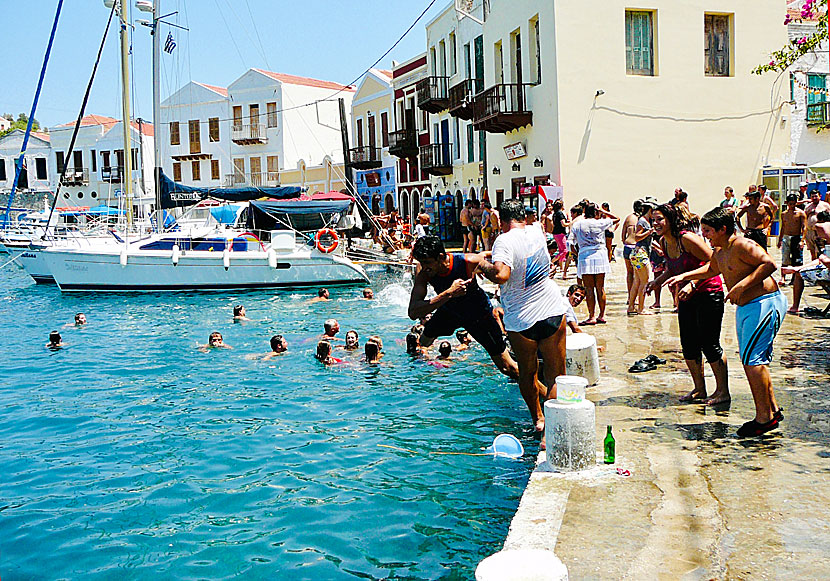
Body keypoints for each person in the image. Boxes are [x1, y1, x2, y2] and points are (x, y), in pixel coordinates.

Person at [666, 207, 786, 437]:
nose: (705, 236)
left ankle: (764, 419)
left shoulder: (742, 244)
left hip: (764, 303)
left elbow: (769, 264)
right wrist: (684, 276)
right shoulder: (720, 251)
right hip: (746, 308)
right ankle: (771, 409)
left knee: (753, 361)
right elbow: (710, 270)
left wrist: (742, 285)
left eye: (709, 231)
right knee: (752, 360)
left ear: (723, 229)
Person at [476, 199, 571, 436]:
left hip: (521, 320)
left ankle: (538, 419)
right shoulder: (536, 230)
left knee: (528, 374)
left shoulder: (503, 241)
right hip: (551, 310)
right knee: (556, 375)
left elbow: (501, 274)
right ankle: (553, 425)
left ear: (500, 219)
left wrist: (481, 263)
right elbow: (523, 254)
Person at [647, 204, 730, 405]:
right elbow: (674, 268)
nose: (655, 223)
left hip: (709, 293)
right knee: (689, 344)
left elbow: (714, 264)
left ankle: (722, 391)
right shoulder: (664, 242)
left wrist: (693, 283)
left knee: (709, 344)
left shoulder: (687, 239)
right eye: (653, 220)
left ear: (670, 220)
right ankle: (699, 389)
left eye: (660, 219)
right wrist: (657, 281)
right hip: (686, 297)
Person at [408, 235, 519, 379]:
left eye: (427, 262)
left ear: (441, 257)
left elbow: (500, 276)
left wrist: (489, 259)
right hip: (449, 311)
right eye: (421, 262)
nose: (424, 267)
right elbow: (413, 312)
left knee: (508, 368)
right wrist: (449, 293)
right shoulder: (424, 271)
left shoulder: (468, 262)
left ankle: (542, 392)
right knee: (422, 342)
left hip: (478, 315)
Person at [568, 202, 620, 324]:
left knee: (589, 288)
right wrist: (604, 212)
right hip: (600, 255)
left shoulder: (578, 224)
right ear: (596, 212)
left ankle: (591, 316)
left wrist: (576, 253)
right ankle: (601, 315)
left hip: (585, 256)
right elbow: (617, 219)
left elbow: (570, 243)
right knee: (600, 287)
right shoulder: (600, 223)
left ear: (585, 211)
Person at [785, 211, 830, 314]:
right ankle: (798, 269)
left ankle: (795, 306)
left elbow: (824, 261)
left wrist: (824, 260)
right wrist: (799, 267)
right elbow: (819, 260)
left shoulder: (821, 228)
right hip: (825, 266)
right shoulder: (826, 244)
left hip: (828, 272)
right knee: (799, 270)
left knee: (798, 275)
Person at [627, 201, 654, 315]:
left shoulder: (644, 221)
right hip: (641, 254)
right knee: (644, 281)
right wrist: (649, 232)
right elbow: (637, 237)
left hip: (637, 254)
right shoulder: (643, 221)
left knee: (637, 281)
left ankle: (631, 307)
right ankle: (641, 308)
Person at [778, 193, 806, 284]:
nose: (792, 206)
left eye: (794, 204)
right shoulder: (784, 214)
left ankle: (795, 278)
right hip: (786, 237)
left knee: (796, 259)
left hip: (796, 237)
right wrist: (780, 240)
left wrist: (802, 241)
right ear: (787, 203)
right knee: (785, 258)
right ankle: (783, 277)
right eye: (790, 204)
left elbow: (804, 227)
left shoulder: (800, 213)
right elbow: (783, 227)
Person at [621, 200, 643, 302]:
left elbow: (623, 234)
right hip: (636, 248)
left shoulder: (629, 218)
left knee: (629, 273)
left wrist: (624, 242)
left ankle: (630, 297)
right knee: (638, 275)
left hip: (627, 246)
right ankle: (637, 298)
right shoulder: (642, 219)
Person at [804, 189, 830, 260]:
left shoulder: (825, 205)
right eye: (812, 196)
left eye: (816, 196)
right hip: (810, 232)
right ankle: (814, 266)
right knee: (812, 252)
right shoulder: (808, 206)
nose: (814, 198)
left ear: (820, 196)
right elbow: (804, 218)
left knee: (820, 252)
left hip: (820, 232)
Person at [561, 205, 583, 280]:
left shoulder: (574, 222)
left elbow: (571, 237)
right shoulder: (585, 219)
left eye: (572, 213)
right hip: (582, 244)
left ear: (576, 213)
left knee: (575, 262)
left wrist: (572, 250)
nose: (571, 215)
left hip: (576, 244)